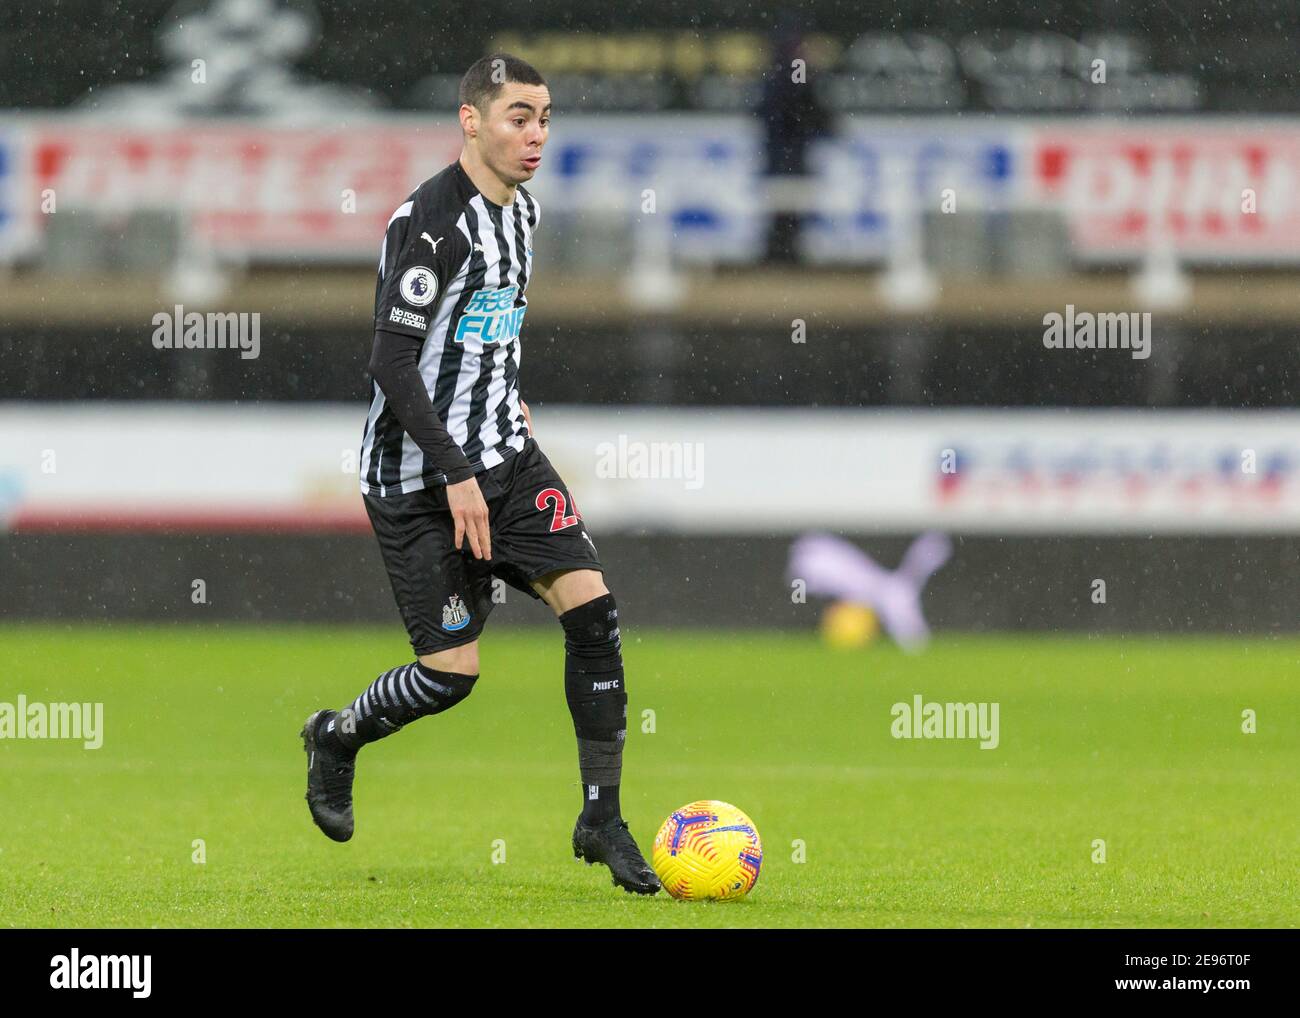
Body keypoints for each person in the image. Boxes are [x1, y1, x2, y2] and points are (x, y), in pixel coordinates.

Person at [300, 52, 660, 895]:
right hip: (418, 483)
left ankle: (601, 818)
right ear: (471, 120)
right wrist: (455, 471)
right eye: (518, 117)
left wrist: (510, 403)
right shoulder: (432, 225)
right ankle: (337, 736)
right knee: (450, 676)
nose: (536, 134)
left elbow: (485, 333)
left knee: (596, 615)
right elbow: (392, 363)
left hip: (506, 459)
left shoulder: (523, 214)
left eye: (544, 118)